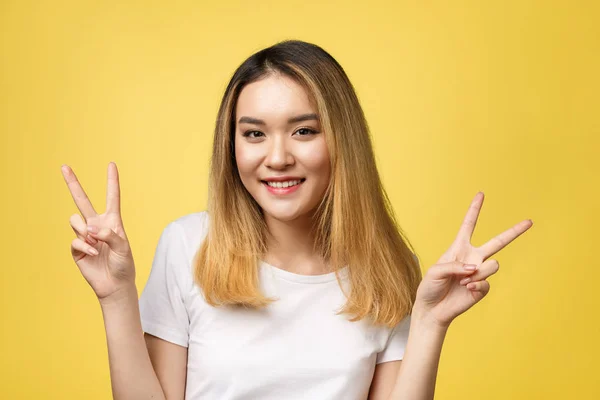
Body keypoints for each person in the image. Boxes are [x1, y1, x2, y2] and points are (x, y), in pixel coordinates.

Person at [61, 40, 533, 400]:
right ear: (233, 146)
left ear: (340, 140)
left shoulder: (387, 266)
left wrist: (430, 322)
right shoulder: (188, 245)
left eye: (304, 131)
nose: (278, 157)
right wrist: (116, 297)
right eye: (254, 134)